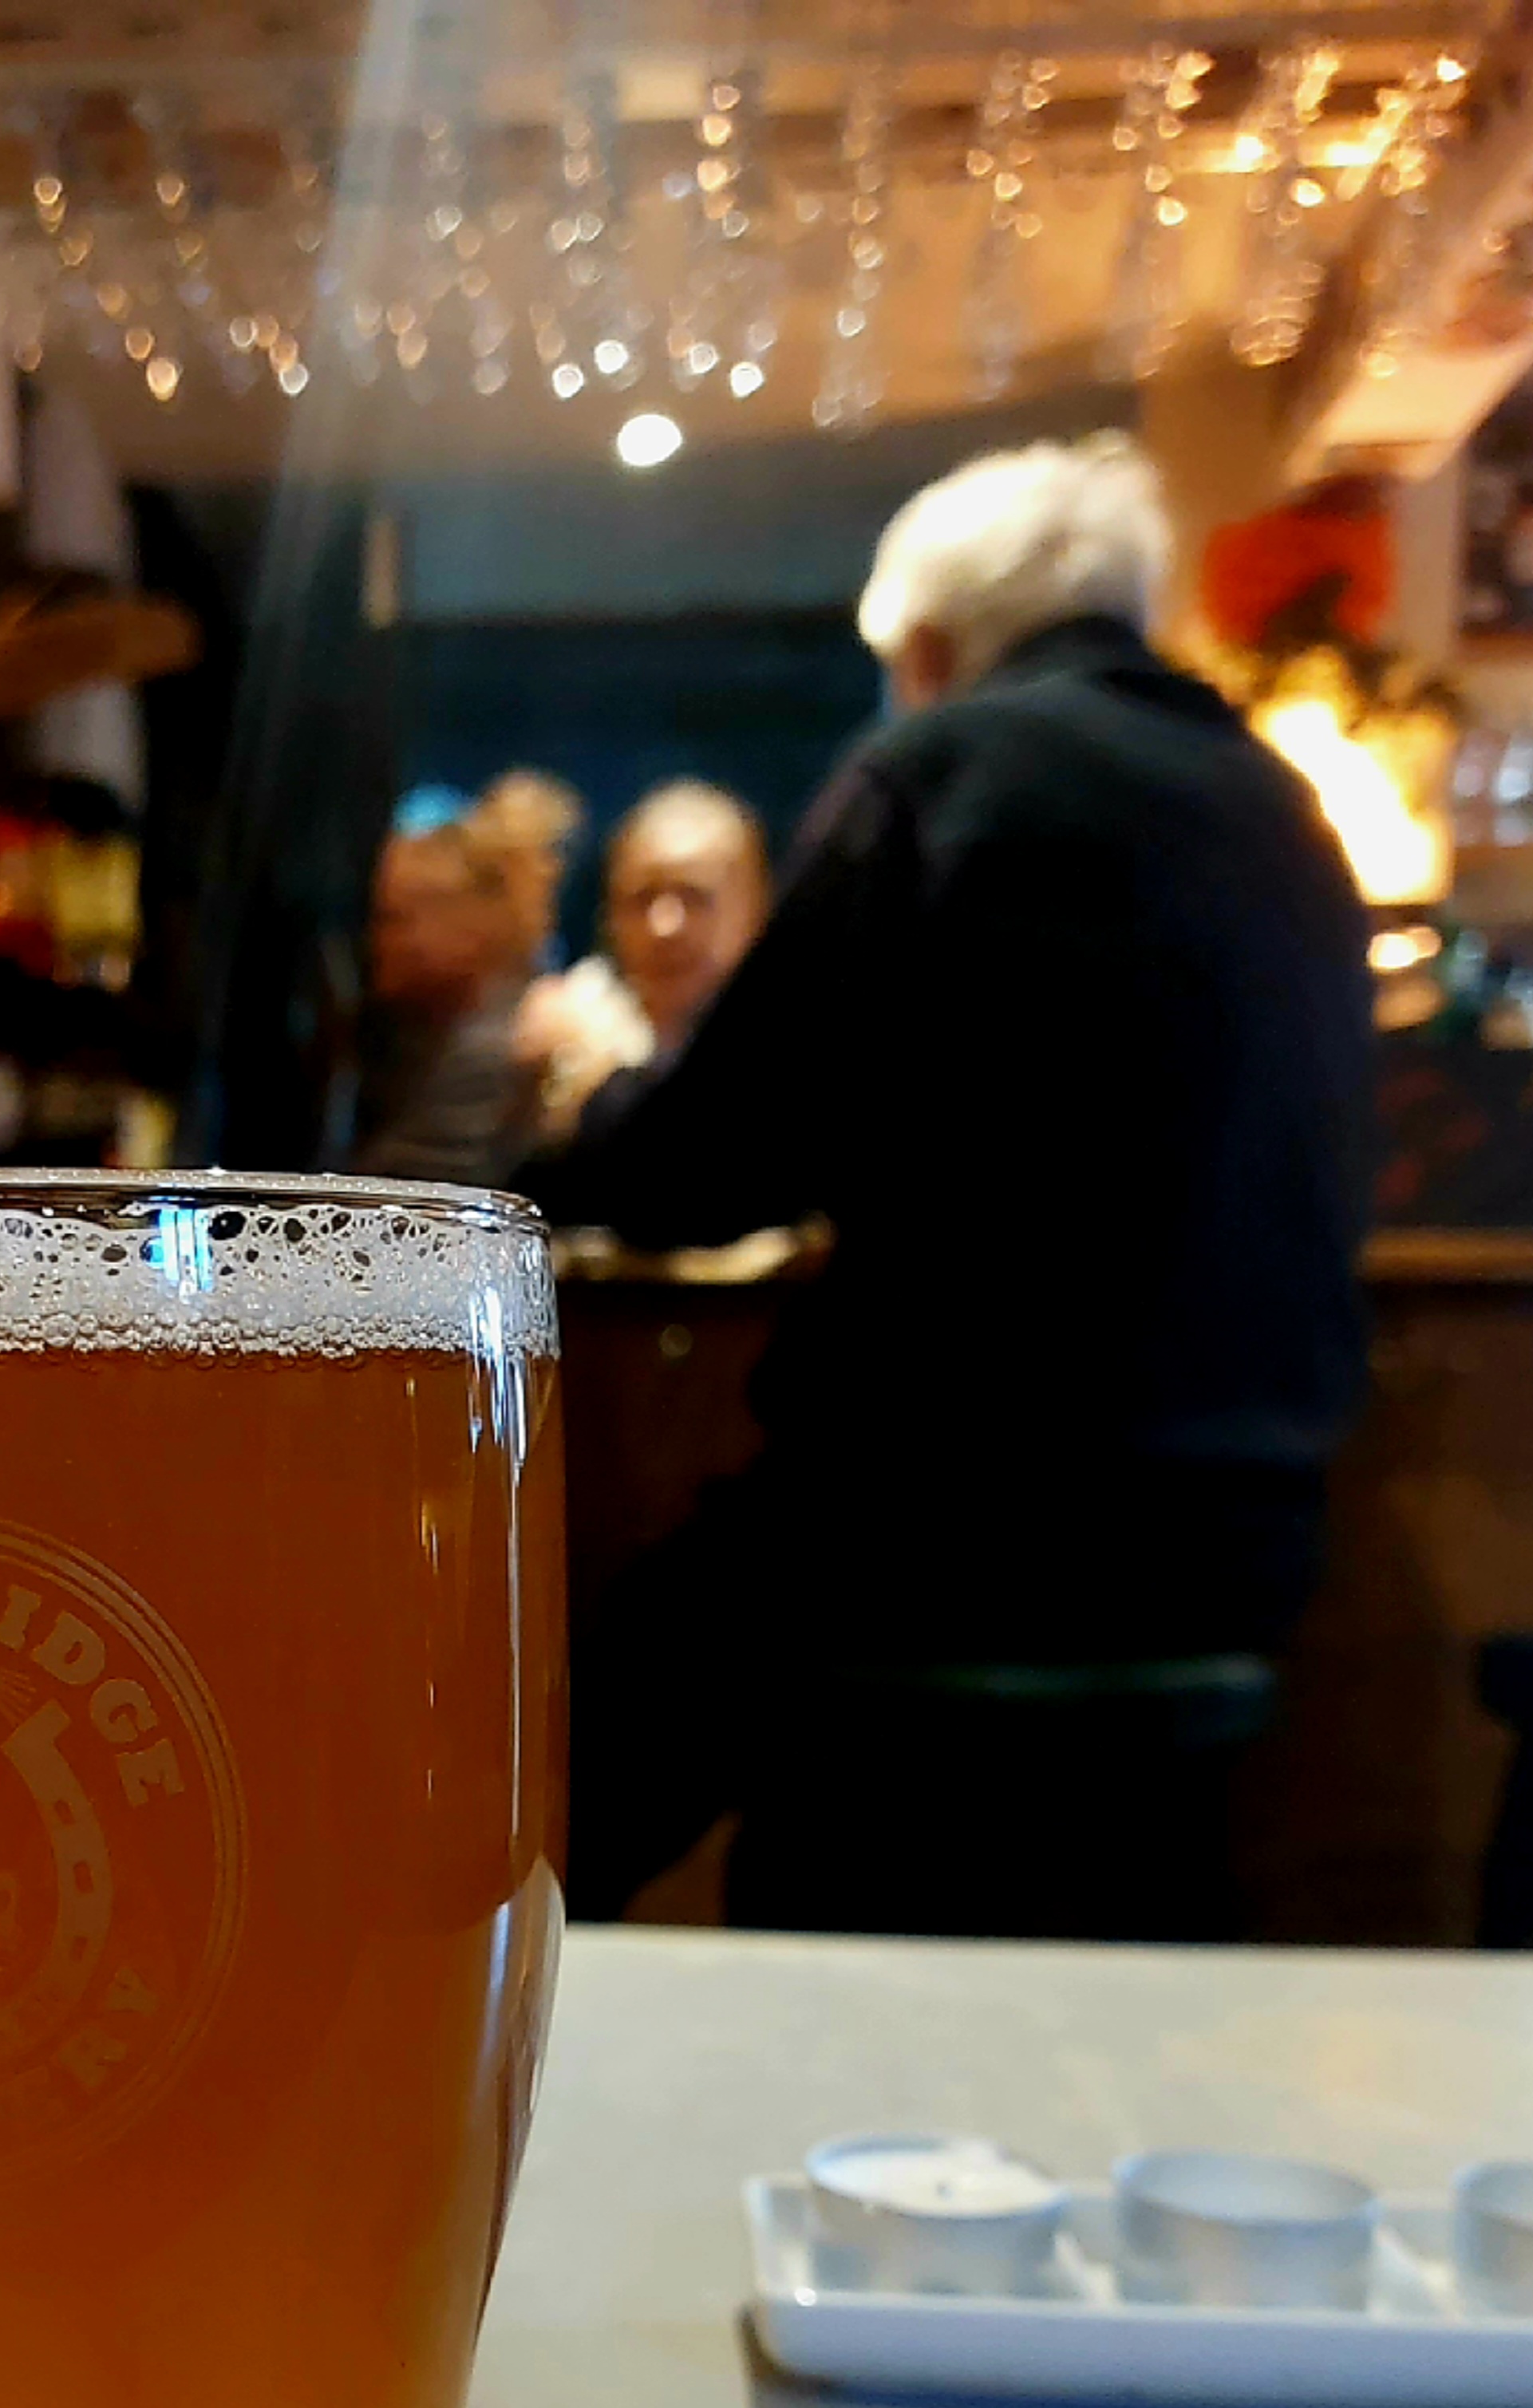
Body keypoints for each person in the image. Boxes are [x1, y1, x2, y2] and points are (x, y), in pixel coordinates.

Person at [522, 433, 1373, 1935]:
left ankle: (406, 2017)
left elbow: (701, 1167)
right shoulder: (1288, 811)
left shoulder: (943, 774)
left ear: (923, 649)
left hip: (944, 1548)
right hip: (1238, 1562)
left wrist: (581, 1125)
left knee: (567, 1751)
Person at [354, 771, 581, 1184]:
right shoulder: (393, 1032)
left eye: (398, 918)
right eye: (379, 916)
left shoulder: (504, 1046)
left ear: (476, 920)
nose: (380, 939)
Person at [516, 780, 768, 1148]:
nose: (663, 926)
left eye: (694, 896)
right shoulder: (561, 1032)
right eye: (640, 897)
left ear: (755, 907)